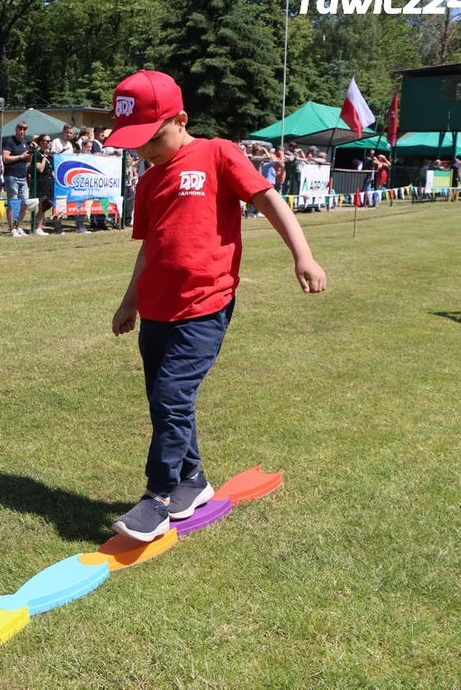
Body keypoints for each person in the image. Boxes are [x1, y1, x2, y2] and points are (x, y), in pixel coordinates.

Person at [104, 70, 326, 542]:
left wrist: (302, 256)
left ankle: (158, 498)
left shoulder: (218, 153)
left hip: (205, 306)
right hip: (158, 309)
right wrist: (130, 303)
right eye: (135, 143)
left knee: (171, 397)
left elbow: (269, 201)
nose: (144, 150)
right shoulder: (147, 183)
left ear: (180, 119)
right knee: (166, 403)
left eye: (152, 138)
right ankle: (193, 480)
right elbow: (150, 249)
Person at [1, 120, 32, 237]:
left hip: (22, 177)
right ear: (16, 129)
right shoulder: (9, 141)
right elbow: (5, 158)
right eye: (20, 128)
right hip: (11, 176)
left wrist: (27, 161)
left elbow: (28, 160)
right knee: (12, 203)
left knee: (24, 203)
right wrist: (21, 157)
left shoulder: (25, 143)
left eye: (24, 129)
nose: (22, 131)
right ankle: (12, 229)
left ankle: (19, 227)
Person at [30, 134, 57, 236]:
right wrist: (44, 157)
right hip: (41, 182)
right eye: (46, 141)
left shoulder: (50, 155)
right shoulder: (37, 154)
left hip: (49, 182)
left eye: (50, 141)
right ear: (41, 142)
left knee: (47, 204)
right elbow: (40, 168)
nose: (49, 143)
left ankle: (39, 226)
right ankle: (38, 228)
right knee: (42, 206)